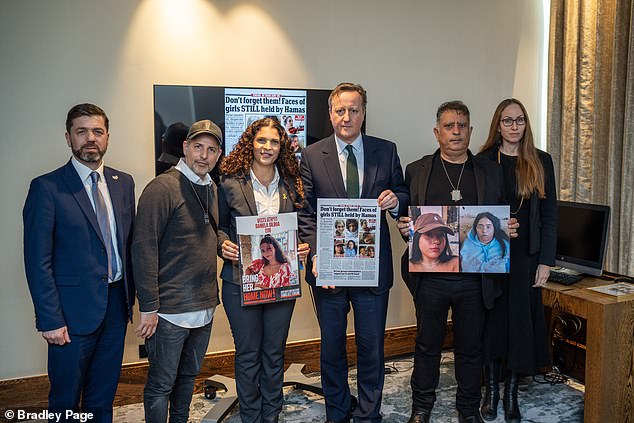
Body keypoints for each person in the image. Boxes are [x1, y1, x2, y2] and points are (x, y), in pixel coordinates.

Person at [397, 101, 516, 423]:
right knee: (426, 346)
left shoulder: (491, 172)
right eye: (449, 126)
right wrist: (403, 225)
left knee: (470, 348)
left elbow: (501, 216)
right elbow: (406, 220)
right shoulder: (417, 170)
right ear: (437, 132)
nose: (456, 132)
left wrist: (510, 226)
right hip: (430, 278)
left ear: (471, 131)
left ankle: (467, 410)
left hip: (475, 279)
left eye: (462, 125)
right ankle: (421, 409)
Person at [298, 82, 409, 423]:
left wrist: (395, 201)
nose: (347, 117)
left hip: (372, 270)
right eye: (340, 110)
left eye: (354, 110)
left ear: (364, 113)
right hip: (328, 270)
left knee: (371, 347)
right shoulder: (311, 155)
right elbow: (306, 213)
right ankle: (337, 411)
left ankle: (367, 414)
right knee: (331, 348)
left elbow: (403, 193)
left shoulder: (386, 151)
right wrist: (316, 256)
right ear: (330, 113)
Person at [23, 103, 136, 422]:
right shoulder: (47, 188)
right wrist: (49, 319)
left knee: (103, 397)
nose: (90, 138)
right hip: (69, 315)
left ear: (108, 137)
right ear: (68, 137)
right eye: (81, 131)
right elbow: (37, 260)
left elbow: (128, 247)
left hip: (115, 308)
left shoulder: (123, 182)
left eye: (97, 131)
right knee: (65, 401)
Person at [218, 116, 309, 423]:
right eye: (261, 140)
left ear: (281, 145)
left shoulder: (291, 182)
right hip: (239, 283)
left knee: (273, 355)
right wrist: (223, 244)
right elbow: (217, 227)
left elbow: (300, 227)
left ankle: (271, 415)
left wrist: (302, 246)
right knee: (247, 356)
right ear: (250, 143)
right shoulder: (230, 181)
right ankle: (251, 417)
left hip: (281, 282)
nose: (267, 147)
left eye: (273, 141)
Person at [132, 119, 223, 423]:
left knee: (188, 380)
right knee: (161, 384)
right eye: (198, 147)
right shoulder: (162, 187)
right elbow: (143, 249)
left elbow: (210, 234)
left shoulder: (210, 185)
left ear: (218, 155)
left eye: (211, 150)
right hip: (169, 312)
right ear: (185, 147)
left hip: (204, 308)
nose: (203, 155)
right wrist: (148, 307)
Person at [477, 99, 556, 422]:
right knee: (493, 319)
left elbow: (550, 215)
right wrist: (496, 227)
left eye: (519, 120)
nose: (513, 126)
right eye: (507, 121)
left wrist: (546, 261)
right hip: (491, 251)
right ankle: (491, 390)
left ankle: (511, 391)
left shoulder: (541, 161)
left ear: (525, 124)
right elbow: (472, 212)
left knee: (519, 323)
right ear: (498, 125)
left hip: (527, 254)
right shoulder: (482, 161)